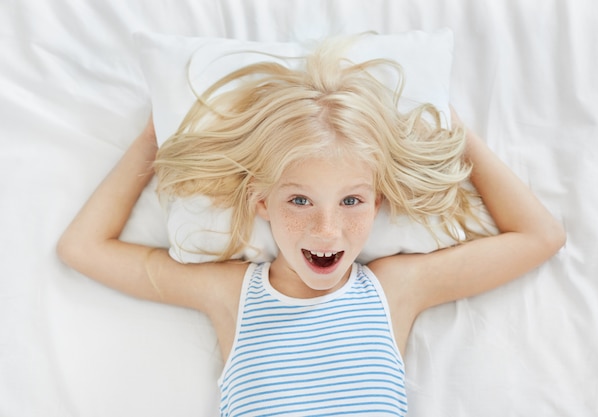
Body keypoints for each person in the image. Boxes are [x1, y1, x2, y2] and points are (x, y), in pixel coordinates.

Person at [57, 36, 566, 416]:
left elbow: (541, 236)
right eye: (300, 200)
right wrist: (156, 138)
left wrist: (452, 129)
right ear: (261, 202)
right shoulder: (232, 293)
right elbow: (83, 248)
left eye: (351, 201)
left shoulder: (394, 289)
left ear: (378, 204)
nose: (327, 229)